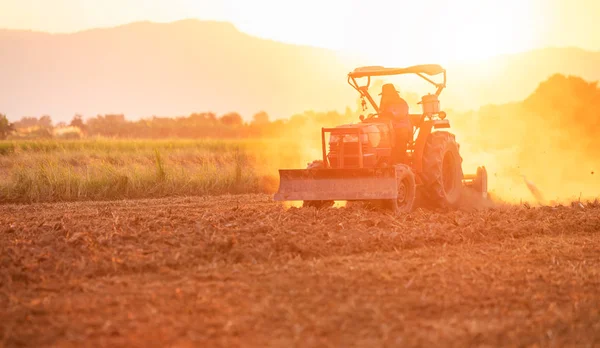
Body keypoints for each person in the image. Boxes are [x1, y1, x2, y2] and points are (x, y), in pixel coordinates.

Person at [379, 83, 412, 164]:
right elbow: (380, 114)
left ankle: (399, 162)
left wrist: (389, 114)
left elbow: (400, 115)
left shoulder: (401, 102)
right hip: (388, 129)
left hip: (400, 128)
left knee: (398, 149)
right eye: (383, 95)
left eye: (385, 95)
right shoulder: (384, 104)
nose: (384, 97)